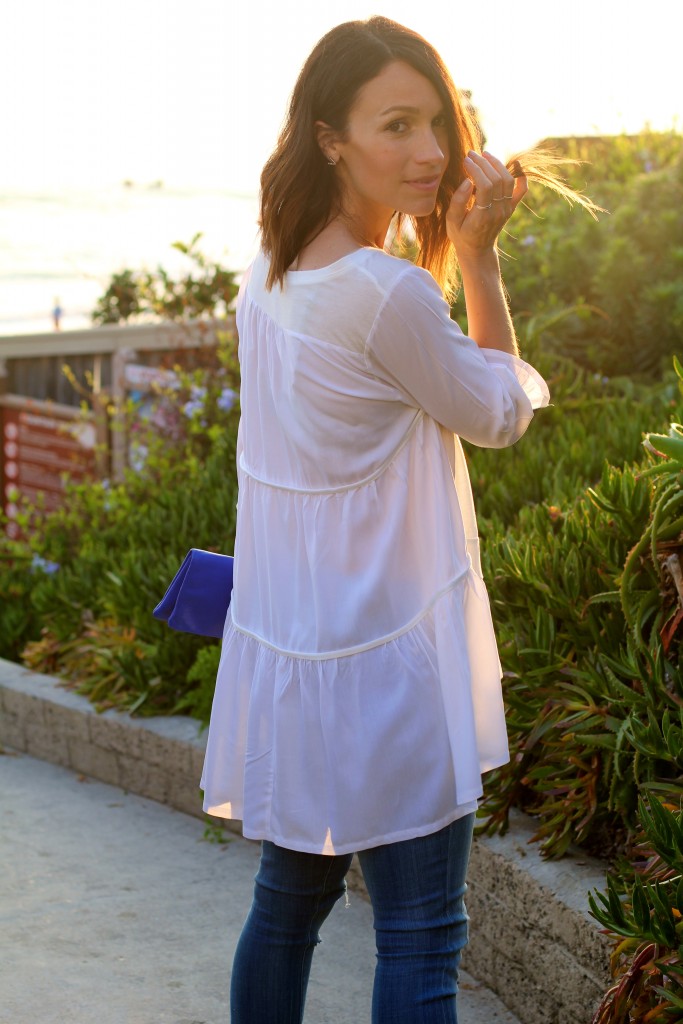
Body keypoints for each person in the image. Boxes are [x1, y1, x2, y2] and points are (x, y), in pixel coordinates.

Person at [199, 15, 582, 1023]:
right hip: (388, 667)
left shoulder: (272, 267)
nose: (426, 152)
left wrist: (435, 246)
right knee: (420, 939)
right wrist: (477, 256)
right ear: (329, 136)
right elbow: (498, 413)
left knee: (285, 909)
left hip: (300, 660)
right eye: (394, 126)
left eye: (436, 124)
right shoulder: (385, 294)